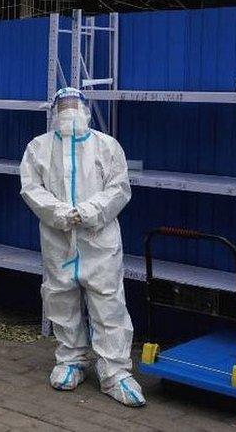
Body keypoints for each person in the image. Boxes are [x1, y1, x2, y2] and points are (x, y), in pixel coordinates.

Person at [19, 87, 144, 407]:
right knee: (60, 298)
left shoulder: (106, 145)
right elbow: (31, 189)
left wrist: (88, 212)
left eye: (75, 105)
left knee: (108, 303)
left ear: (87, 110)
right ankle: (71, 359)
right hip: (57, 238)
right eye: (63, 106)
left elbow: (118, 189)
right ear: (53, 111)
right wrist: (61, 213)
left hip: (98, 238)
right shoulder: (39, 147)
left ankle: (115, 371)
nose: (69, 111)